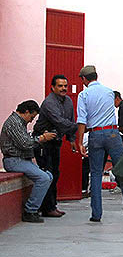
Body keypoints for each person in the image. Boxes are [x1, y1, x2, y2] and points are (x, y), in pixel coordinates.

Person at [76, 65, 123, 222]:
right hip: (112, 133)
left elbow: (82, 120)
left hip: (95, 134)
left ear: (84, 79)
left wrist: (79, 142)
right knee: (122, 171)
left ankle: (96, 214)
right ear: (96, 76)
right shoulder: (109, 92)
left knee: (96, 173)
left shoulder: (83, 95)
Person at [1, 100, 57, 222]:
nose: (32, 120)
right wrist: (42, 138)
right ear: (26, 112)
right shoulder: (14, 123)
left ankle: (35, 208)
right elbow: (25, 144)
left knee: (48, 175)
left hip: (21, 160)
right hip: (15, 160)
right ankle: (30, 210)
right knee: (44, 178)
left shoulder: (19, 123)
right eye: (32, 117)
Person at [32, 74, 78, 217]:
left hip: (56, 141)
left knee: (55, 173)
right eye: (60, 86)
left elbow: (69, 119)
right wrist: (80, 128)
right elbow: (59, 121)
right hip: (43, 142)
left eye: (65, 86)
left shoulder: (68, 100)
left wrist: (71, 139)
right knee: (48, 174)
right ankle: (47, 208)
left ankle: (52, 205)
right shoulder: (49, 102)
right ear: (53, 87)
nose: (64, 88)